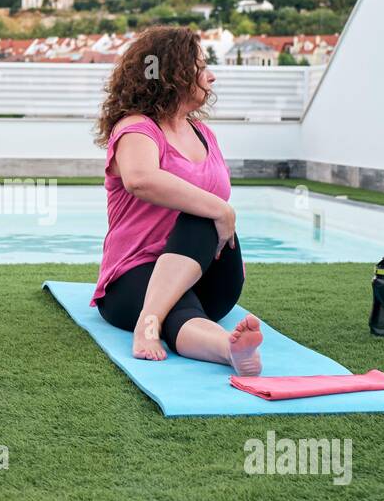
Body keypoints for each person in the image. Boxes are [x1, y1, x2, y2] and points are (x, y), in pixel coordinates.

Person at [91, 25, 263, 374]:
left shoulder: (203, 133)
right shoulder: (137, 128)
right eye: (200, 68)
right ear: (171, 74)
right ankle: (228, 350)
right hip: (135, 277)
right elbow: (140, 179)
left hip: (211, 279)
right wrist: (220, 208)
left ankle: (154, 320)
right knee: (177, 310)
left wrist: (215, 210)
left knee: (201, 215)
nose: (211, 77)